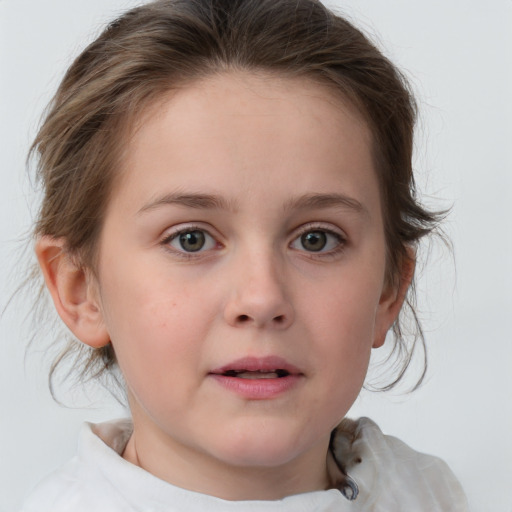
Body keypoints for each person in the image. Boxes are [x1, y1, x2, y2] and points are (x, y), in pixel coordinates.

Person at [20, 0, 469, 510]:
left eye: (316, 239)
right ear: (81, 291)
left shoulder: (433, 495)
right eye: (190, 238)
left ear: (389, 288)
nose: (261, 298)